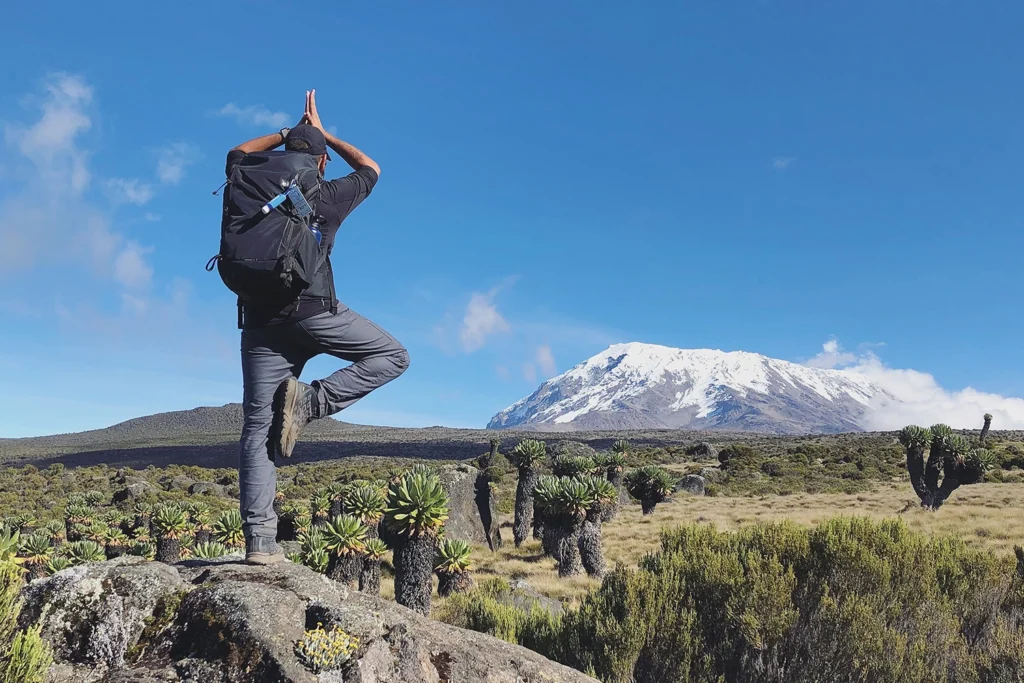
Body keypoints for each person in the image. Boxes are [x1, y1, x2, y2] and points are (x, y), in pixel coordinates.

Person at [225, 90, 409, 564]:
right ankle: (312, 401)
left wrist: (288, 133)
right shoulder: (326, 192)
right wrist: (323, 133)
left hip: (260, 325)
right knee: (392, 356)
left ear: (284, 153)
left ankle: (260, 546)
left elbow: (239, 152)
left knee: (257, 429)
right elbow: (372, 168)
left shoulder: (244, 181)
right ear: (322, 162)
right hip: (315, 313)